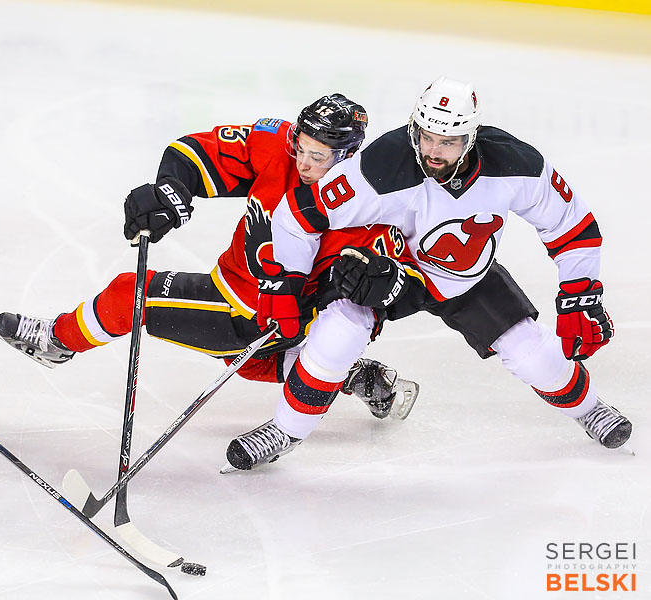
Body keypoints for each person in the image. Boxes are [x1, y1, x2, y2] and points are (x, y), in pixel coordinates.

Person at [230, 75, 628, 472]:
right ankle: (284, 430)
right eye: (426, 137)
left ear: (471, 138)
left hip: (466, 278)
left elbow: (572, 227)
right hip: (391, 274)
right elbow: (297, 217)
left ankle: (590, 410)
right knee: (337, 334)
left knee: (533, 356)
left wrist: (581, 296)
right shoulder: (384, 166)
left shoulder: (514, 163)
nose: (433, 151)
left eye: (447, 142)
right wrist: (285, 284)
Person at [0, 94, 418, 420]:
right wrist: (170, 191)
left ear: (347, 157)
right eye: (300, 148)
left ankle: (56, 341)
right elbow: (198, 151)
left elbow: (384, 289)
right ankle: (357, 375)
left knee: (129, 294)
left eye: (318, 156)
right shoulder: (278, 148)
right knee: (249, 365)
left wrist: (335, 314)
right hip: (235, 289)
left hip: (264, 313)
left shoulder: (368, 211)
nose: (303, 163)